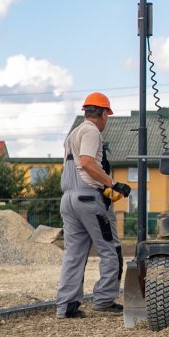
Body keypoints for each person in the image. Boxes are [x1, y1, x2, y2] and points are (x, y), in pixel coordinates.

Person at [56, 92, 131, 318]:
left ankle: (66, 306)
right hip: (88, 198)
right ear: (104, 114)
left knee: (74, 254)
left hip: (68, 199)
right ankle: (105, 299)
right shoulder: (91, 131)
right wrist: (113, 184)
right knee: (111, 249)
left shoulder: (73, 134)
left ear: (87, 111)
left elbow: (79, 165)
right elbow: (88, 163)